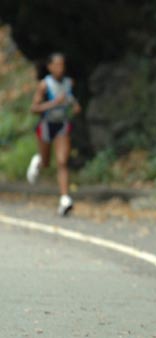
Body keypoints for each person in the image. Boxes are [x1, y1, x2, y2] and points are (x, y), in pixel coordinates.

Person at [27, 52, 81, 216]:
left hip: (62, 125)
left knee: (62, 161)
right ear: (49, 67)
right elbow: (34, 108)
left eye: (62, 65)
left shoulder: (68, 83)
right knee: (46, 163)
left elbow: (71, 100)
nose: (60, 68)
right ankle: (37, 161)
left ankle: (65, 199)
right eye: (56, 65)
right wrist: (53, 104)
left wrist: (76, 106)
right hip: (46, 125)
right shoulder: (44, 85)